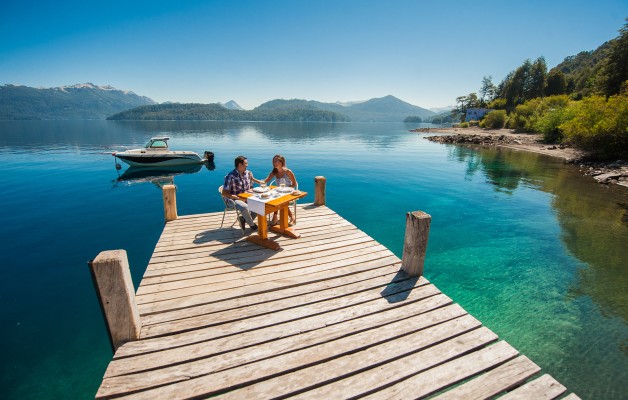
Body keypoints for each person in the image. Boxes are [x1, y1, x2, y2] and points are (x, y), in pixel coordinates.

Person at [222, 155, 262, 231]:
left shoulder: (248, 173)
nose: (247, 165)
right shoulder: (230, 176)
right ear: (240, 165)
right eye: (246, 164)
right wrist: (238, 198)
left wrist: (250, 191)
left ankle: (243, 219)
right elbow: (224, 193)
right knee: (245, 207)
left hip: (246, 197)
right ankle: (252, 225)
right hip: (233, 199)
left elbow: (250, 187)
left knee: (260, 205)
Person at [261, 154, 298, 225]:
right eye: (273, 161)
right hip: (279, 192)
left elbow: (294, 184)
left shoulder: (288, 171)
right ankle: (290, 216)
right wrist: (253, 179)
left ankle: (276, 216)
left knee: (279, 201)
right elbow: (265, 181)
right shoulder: (274, 171)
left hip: (288, 192)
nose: (274, 163)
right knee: (276, 199)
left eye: (276, 161)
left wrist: (288, 189)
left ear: (281, 162)